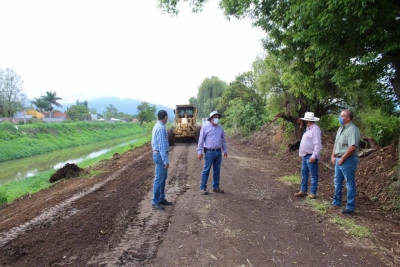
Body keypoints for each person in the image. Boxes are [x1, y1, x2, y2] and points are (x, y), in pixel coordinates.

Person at [331, 109, 360, 215]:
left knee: (349, 182)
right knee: (337, 180)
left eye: (342, 116)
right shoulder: (341, 128)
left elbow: (353, 147)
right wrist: (333, 155)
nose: (340, 117)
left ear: (348, 118)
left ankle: (350, 206)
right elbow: (336, 143)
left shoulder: (352, 129)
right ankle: (336, 201)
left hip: (348, 159)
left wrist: (343, 158)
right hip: (339, 158)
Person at [197, 111, 228, 195]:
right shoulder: (205, 127)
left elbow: (223, 140)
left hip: (218, 152)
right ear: (210, 119)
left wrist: (225, 150)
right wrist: (199, 152)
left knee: (217, 170)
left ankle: (216, 187)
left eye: (217, 117)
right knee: (206, 170)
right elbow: (201, 140)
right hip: (209, 152)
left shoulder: (220, 128)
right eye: (215, 117)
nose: (216, 119)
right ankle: (203, 187)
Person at [294, 112, 322, 199]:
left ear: (307, 120)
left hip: (310, 155)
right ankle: (303, 190)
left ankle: (313, 193)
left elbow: (317, 144)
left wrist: (314, 155)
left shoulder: (315, 129)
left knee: (313, 175)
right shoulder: (308, 129)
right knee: (304, 173)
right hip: (305, 155)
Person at [151, 110, 173, 210]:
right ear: (164, 117)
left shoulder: (159, 126)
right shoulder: (160, 128)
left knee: (163, 178)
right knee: (159, 179)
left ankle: (161, 198)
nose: (167, 119)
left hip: (159, 154)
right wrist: (165, 160)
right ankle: (155, 201)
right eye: (167, 117)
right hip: (160, 155)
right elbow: (162, 146)